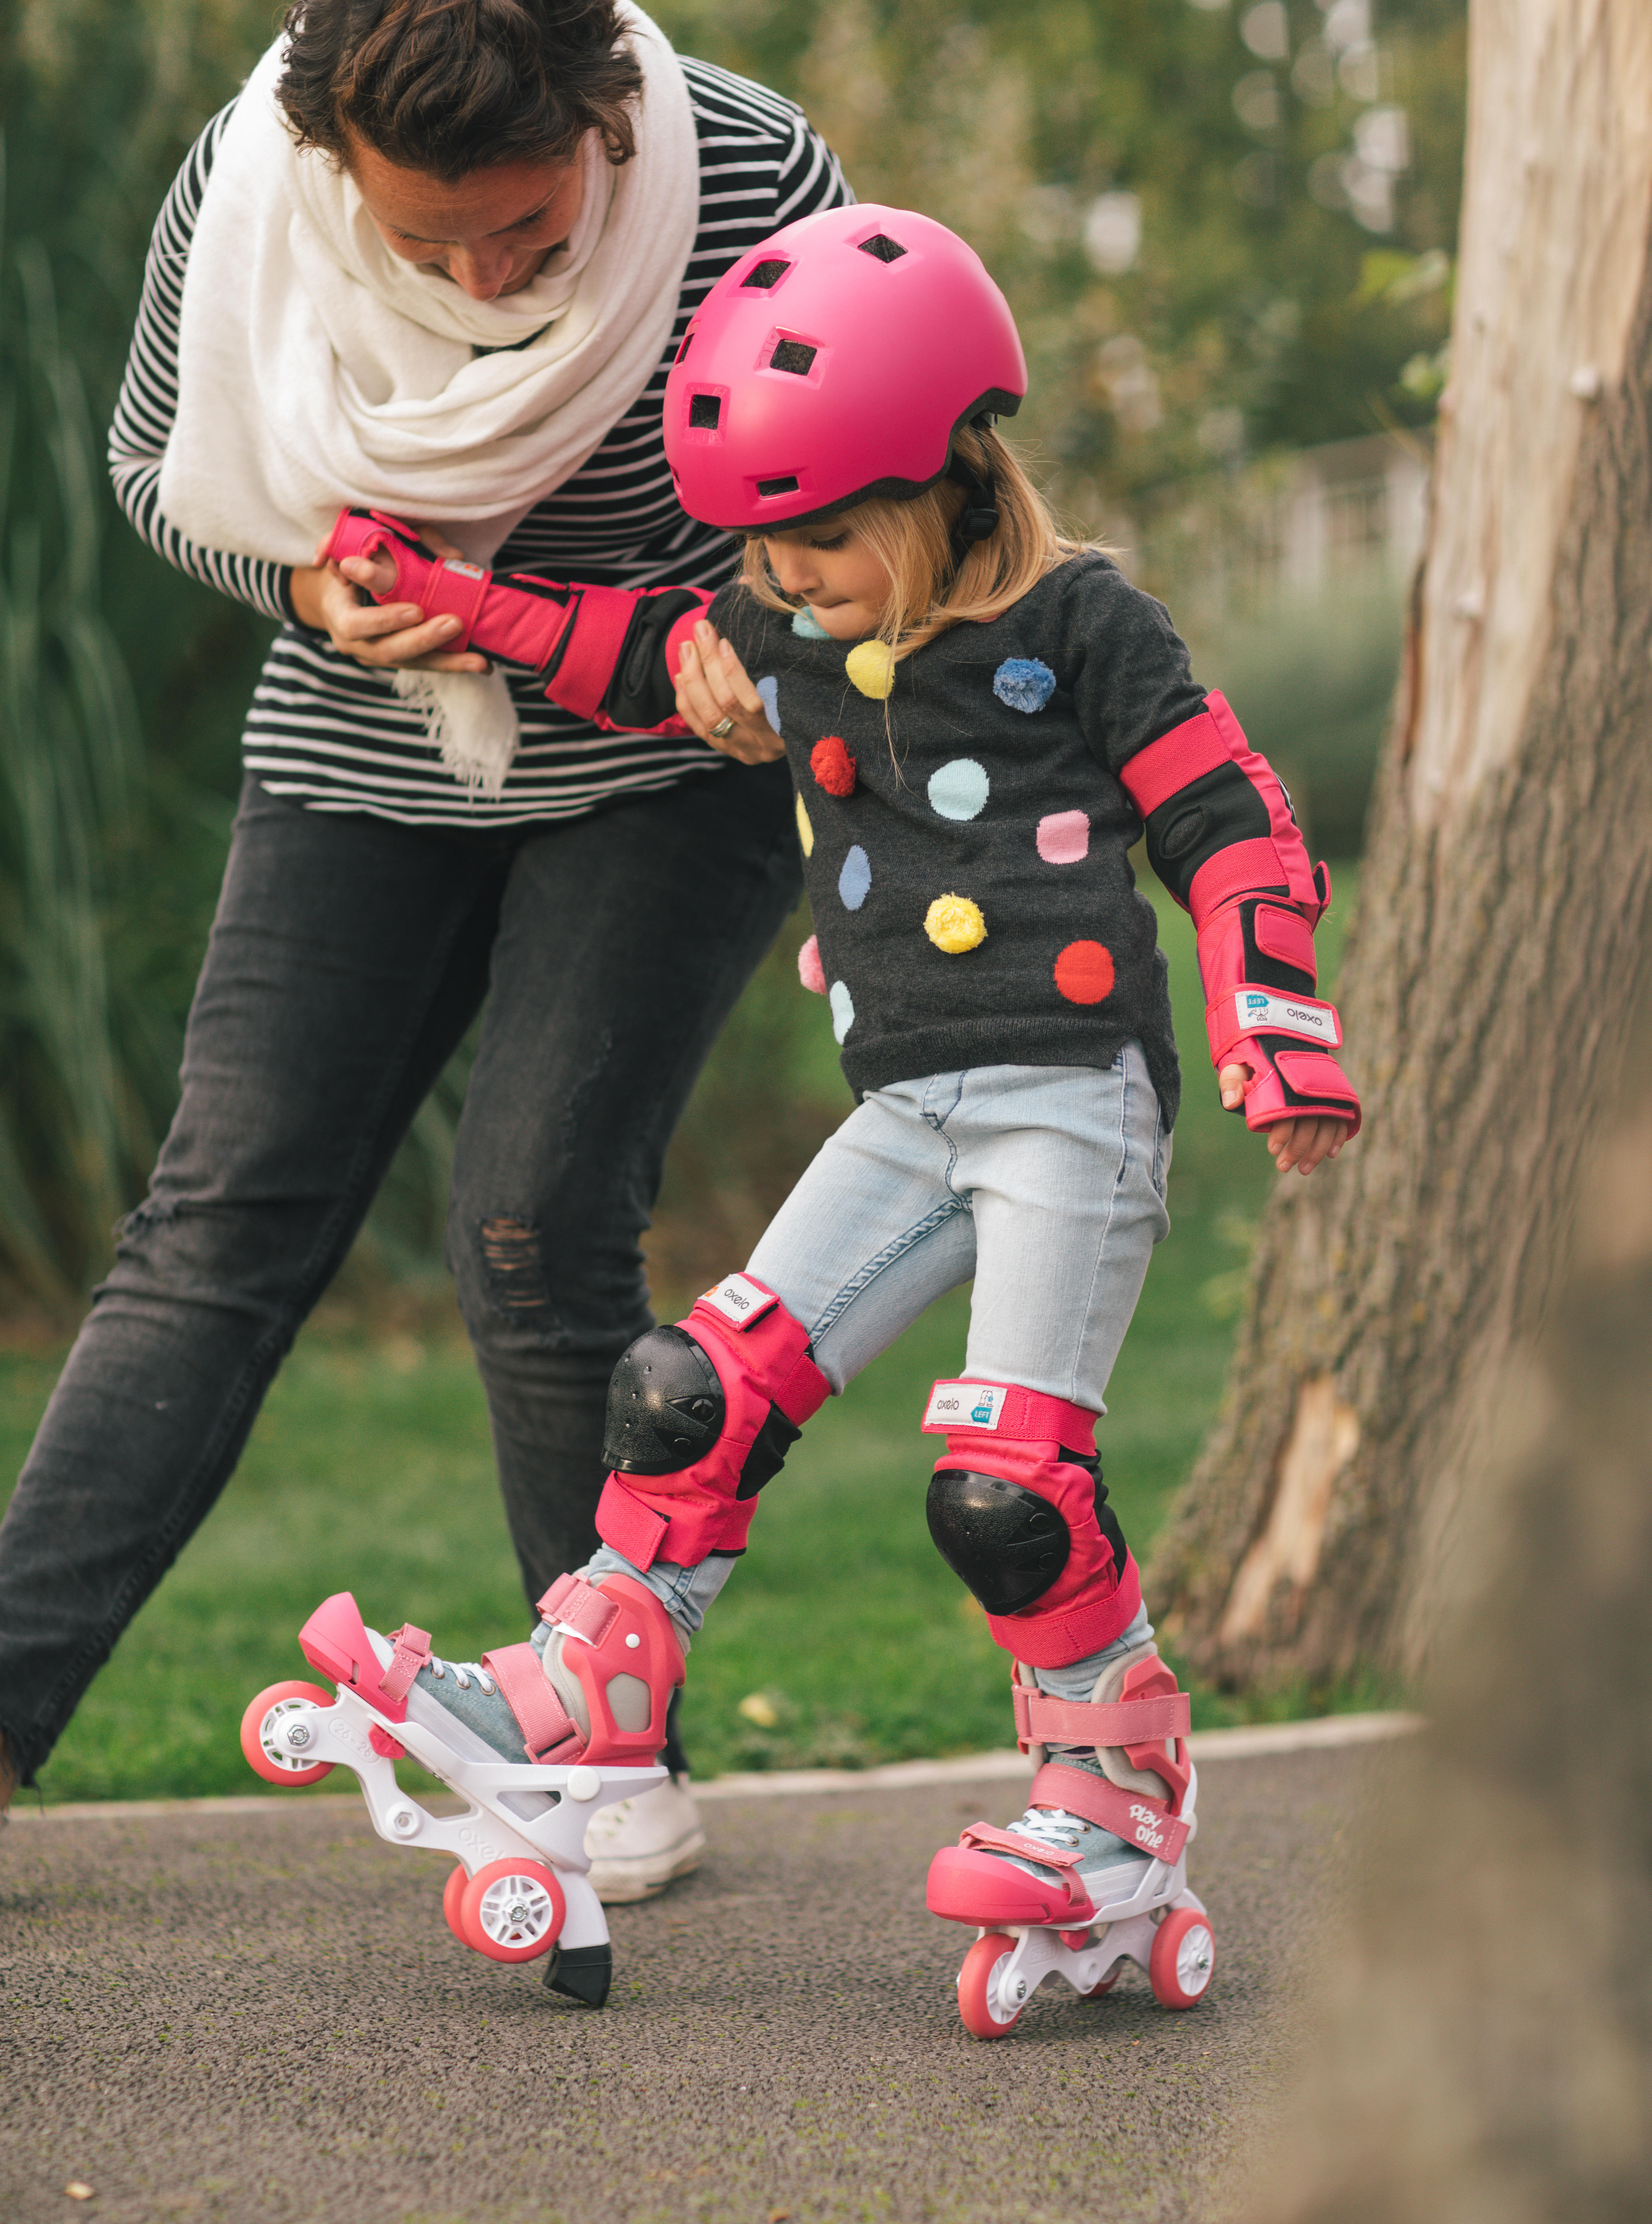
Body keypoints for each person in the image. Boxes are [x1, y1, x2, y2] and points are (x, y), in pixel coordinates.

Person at [306, 203, 1361, 2012]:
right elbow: (629, 650)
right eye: (762, 548)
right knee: (684, 1396)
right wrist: (461, 603)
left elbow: (1226, 808)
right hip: (905, 1114)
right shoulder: (780, 629)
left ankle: (1112, 1804)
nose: (785, 578)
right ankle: (591, 1698)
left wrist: (1269, 1011)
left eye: (815, 537)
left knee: (1003, 1493)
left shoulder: (1084, 623)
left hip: (1064, 1113)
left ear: (948, 476)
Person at [0, 0, 851, 1905]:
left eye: (532, 230)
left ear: (611, 129)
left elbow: (871, 481)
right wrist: (300, 580)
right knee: (215, 1234)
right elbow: (159, 467)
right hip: (361, 754)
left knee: (535, 1225)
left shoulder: (748, 173)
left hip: (666, 756)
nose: (482, 278)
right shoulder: (252, 189)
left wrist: (764, 627)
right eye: (428, 239)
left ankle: (598, 1745)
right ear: (332, 167)